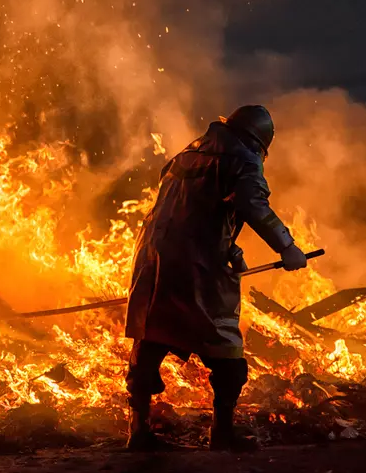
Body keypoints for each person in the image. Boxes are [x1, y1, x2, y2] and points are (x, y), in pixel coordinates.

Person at [123, 105, 309, 452]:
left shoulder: (188, 154)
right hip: (198, 268)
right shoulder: (241, 158)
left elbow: (191, 211)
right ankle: (222, 433)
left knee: (149, 341)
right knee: (227, 352)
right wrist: (287, 246)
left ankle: (138, 432)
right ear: (258, 142)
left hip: (153, 259)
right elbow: (254, 205)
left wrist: (232, 251)